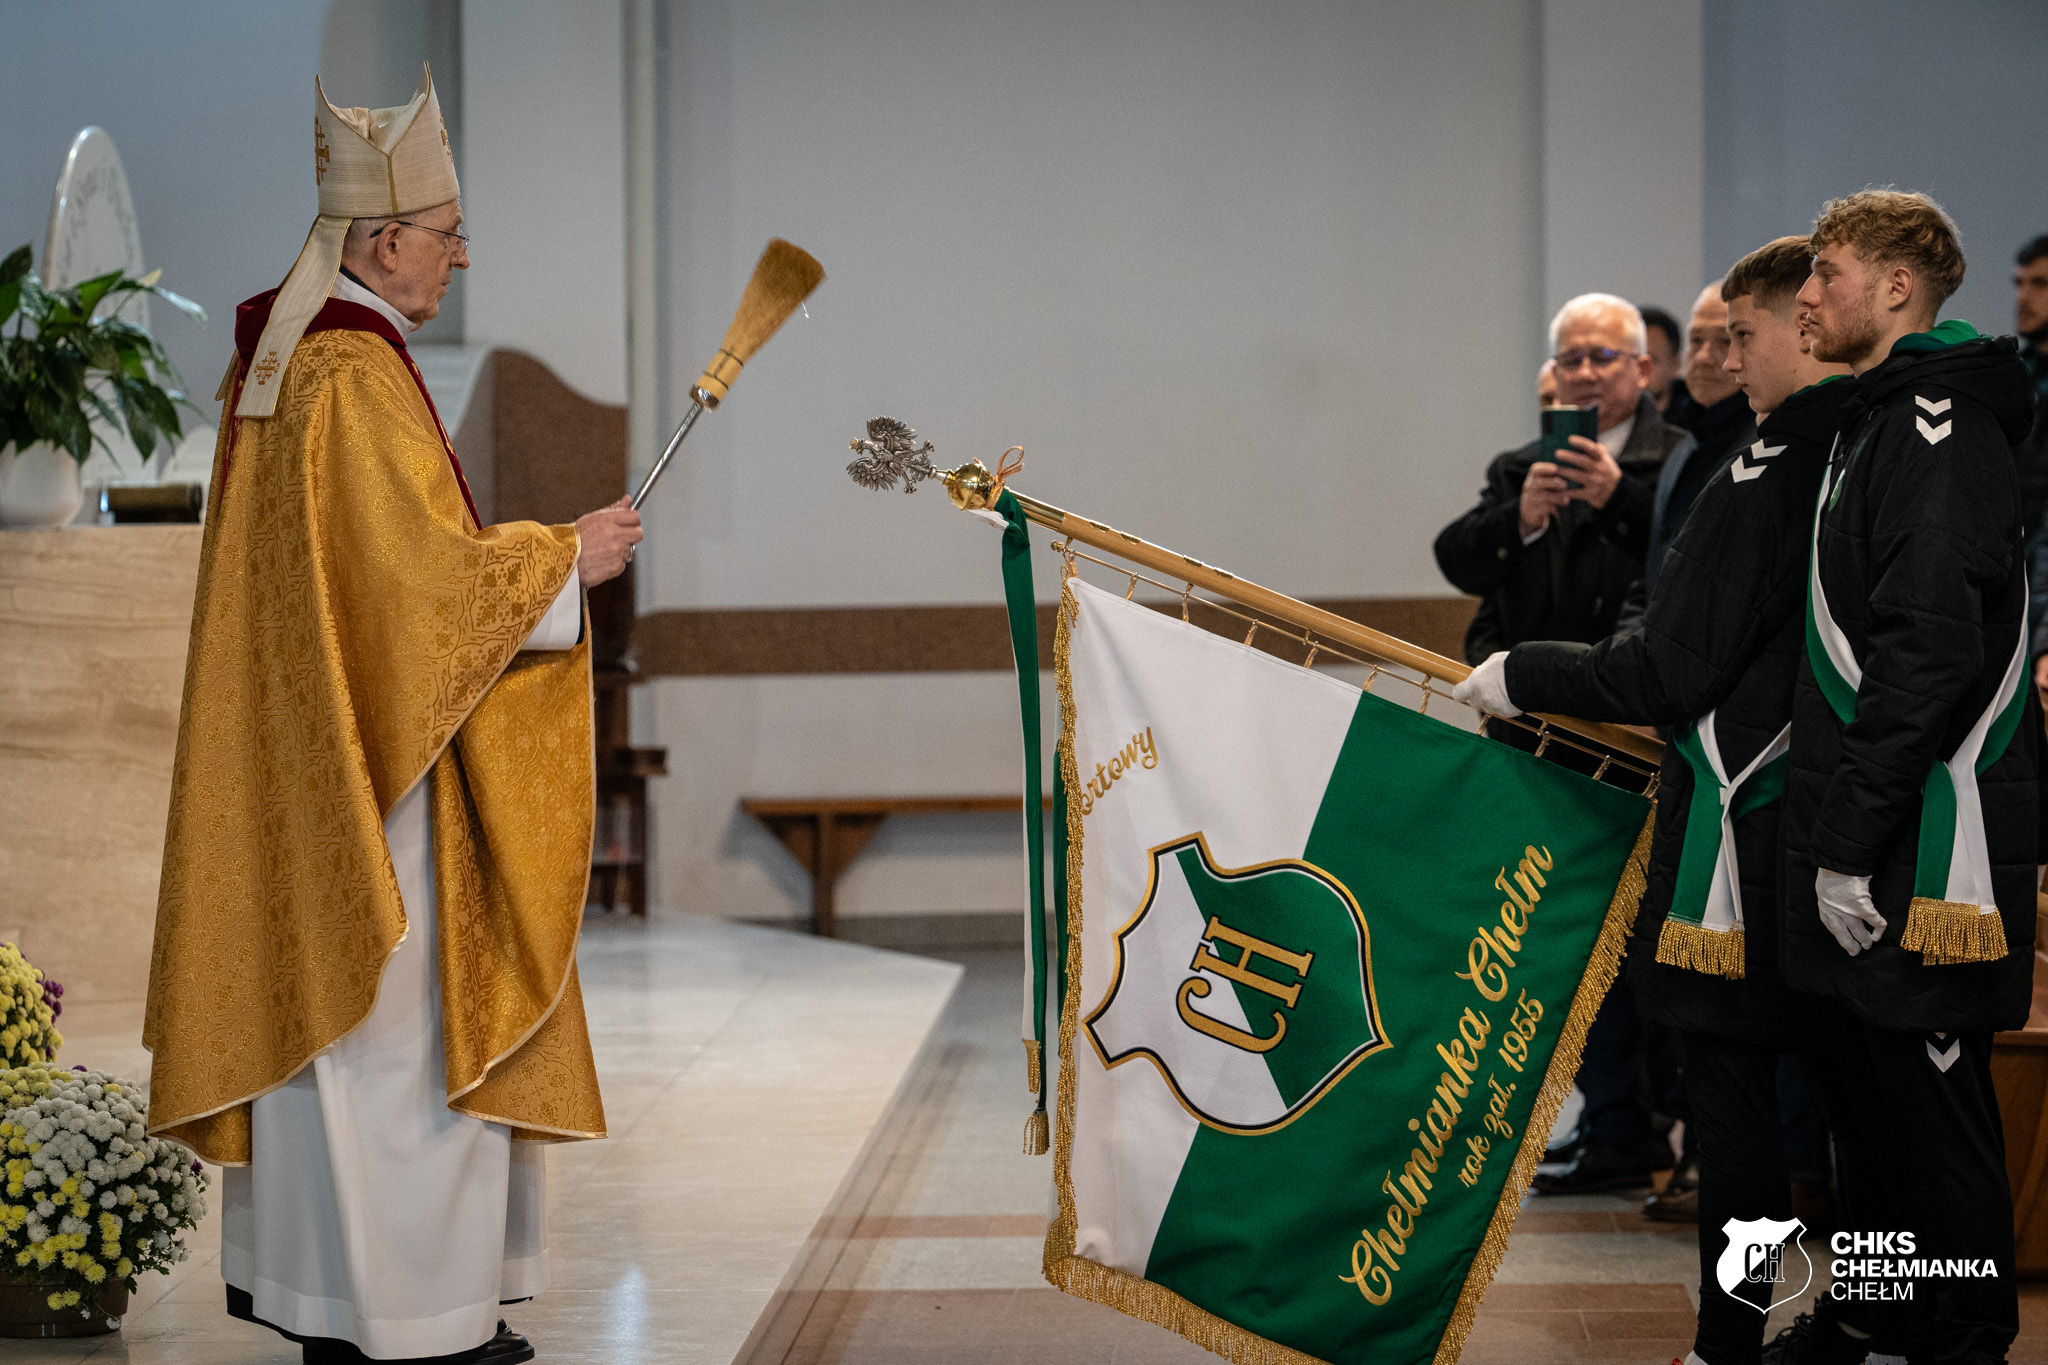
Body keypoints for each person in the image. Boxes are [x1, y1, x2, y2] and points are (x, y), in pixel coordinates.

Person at [145, 66, 642, 1365]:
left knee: (340, 1044)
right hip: (386, 778)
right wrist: (563, 558)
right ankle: (409, 1320)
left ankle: (338, 1298)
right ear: (381, 243)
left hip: (327, 758)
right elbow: (414, 589)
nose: (458, 258)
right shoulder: (350, 375)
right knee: (395, 1042)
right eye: (445, 235)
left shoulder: (288, 359)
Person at [1454, 235, 1853, 1365]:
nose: (1716, 359)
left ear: (1807, 328)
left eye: (1740, 335)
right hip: (1803, 815)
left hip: (1751, 821)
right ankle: (1825, 1324)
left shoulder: (1771, 468)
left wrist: (1524, 673)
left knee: (1747, 1107)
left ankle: (1747, 1335)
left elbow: (1670, 665)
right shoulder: (1837, 454)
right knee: (1826, 1109)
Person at [1786, 189, 2038, 1365]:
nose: (1805, 295)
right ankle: (1881, 1319)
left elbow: (1926, 650)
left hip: (1927, 839)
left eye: (1825, 272)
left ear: (1895, 288)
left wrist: (1845, 842)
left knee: (1933, 1117)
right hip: (1878, 820)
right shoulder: (1878, 417)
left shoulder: (1935, 425)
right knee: (1874, 1110)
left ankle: (1962, 1338)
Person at [1435, 293, 1694, 665]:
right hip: (1529, 687)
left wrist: (1619, 499)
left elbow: (1696, 569)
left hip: (1627, 684)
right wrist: (1520, 520)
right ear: (1555, 374)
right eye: (1572, 360)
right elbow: (1458, 564)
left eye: (1603, 357)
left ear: (1642, 369)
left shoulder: (1683, 458)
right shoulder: (1517, 468)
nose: (1586, 373)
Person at [2013, 236, 2048, 688]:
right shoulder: (2014, 378)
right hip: (2012, 602)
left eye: (2039, 284)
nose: (2023, 297)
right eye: (2019, 283)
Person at [1642, 303, 1690, 417]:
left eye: (1651, 360)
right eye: (1633, 358)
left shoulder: (1696, 422)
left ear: (1675, 365)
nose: (1639, 369)